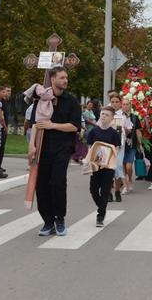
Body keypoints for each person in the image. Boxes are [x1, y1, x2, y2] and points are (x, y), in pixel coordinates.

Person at [30, 67, 82, 237]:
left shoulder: (72, 101)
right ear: (52, 79)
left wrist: (53, 125)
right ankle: (48, 221)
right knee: (42, 185)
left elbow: (74, 126)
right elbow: (35, 124)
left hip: (63, 147)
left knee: (57, 182)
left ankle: (60, 219)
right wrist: (31, 146)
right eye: (62, 77)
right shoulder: (41, 99)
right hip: (43, 148)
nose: (65, 80)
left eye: (66, 77)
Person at [87, 107, 121, 228]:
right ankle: (101, 205)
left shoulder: (114, 133)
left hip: (108, 166)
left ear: (112, 118)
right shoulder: (93, 132)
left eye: (107, 115)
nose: (104, 116)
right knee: (93, 190)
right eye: (102, 114)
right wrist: (89, 160)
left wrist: (110, 157)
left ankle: (100, 216)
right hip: (95, 165)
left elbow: (117, 148)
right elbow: (90, 147)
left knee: (105, 190)